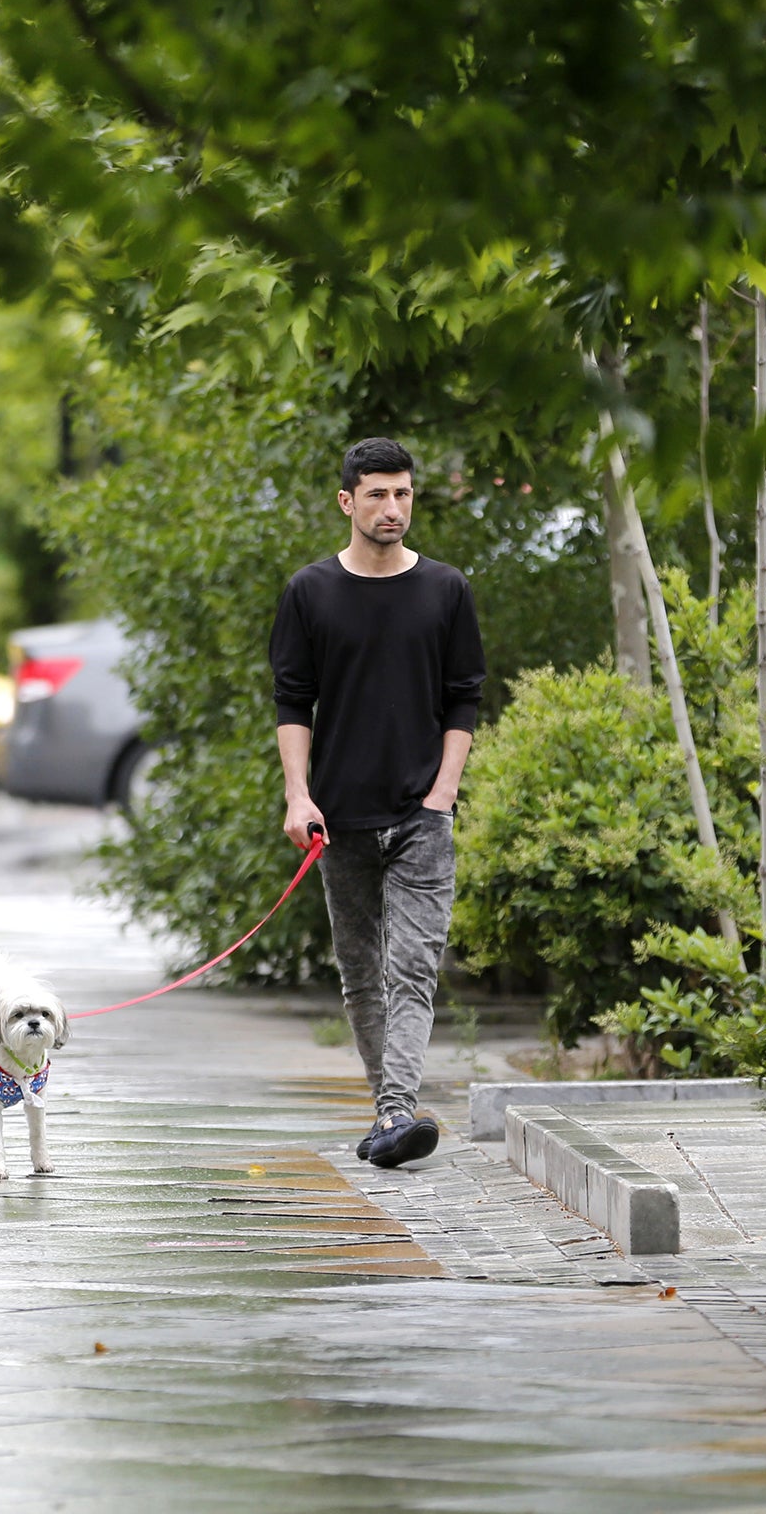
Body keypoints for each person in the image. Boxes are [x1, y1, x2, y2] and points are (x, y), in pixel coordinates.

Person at [269, 437, 485, 1169]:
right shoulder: (312, 592)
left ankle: (396, 1110)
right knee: (362, 973)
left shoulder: (446, 590)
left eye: (403, 494)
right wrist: (299, 797)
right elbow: (292, 701)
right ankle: (388, 1114)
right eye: (378, 495)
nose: (393, 509)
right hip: (340, 818)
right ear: (347, 501)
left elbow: (465, 698)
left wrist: (443, 792)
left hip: (423, 815)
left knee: (414, 969)